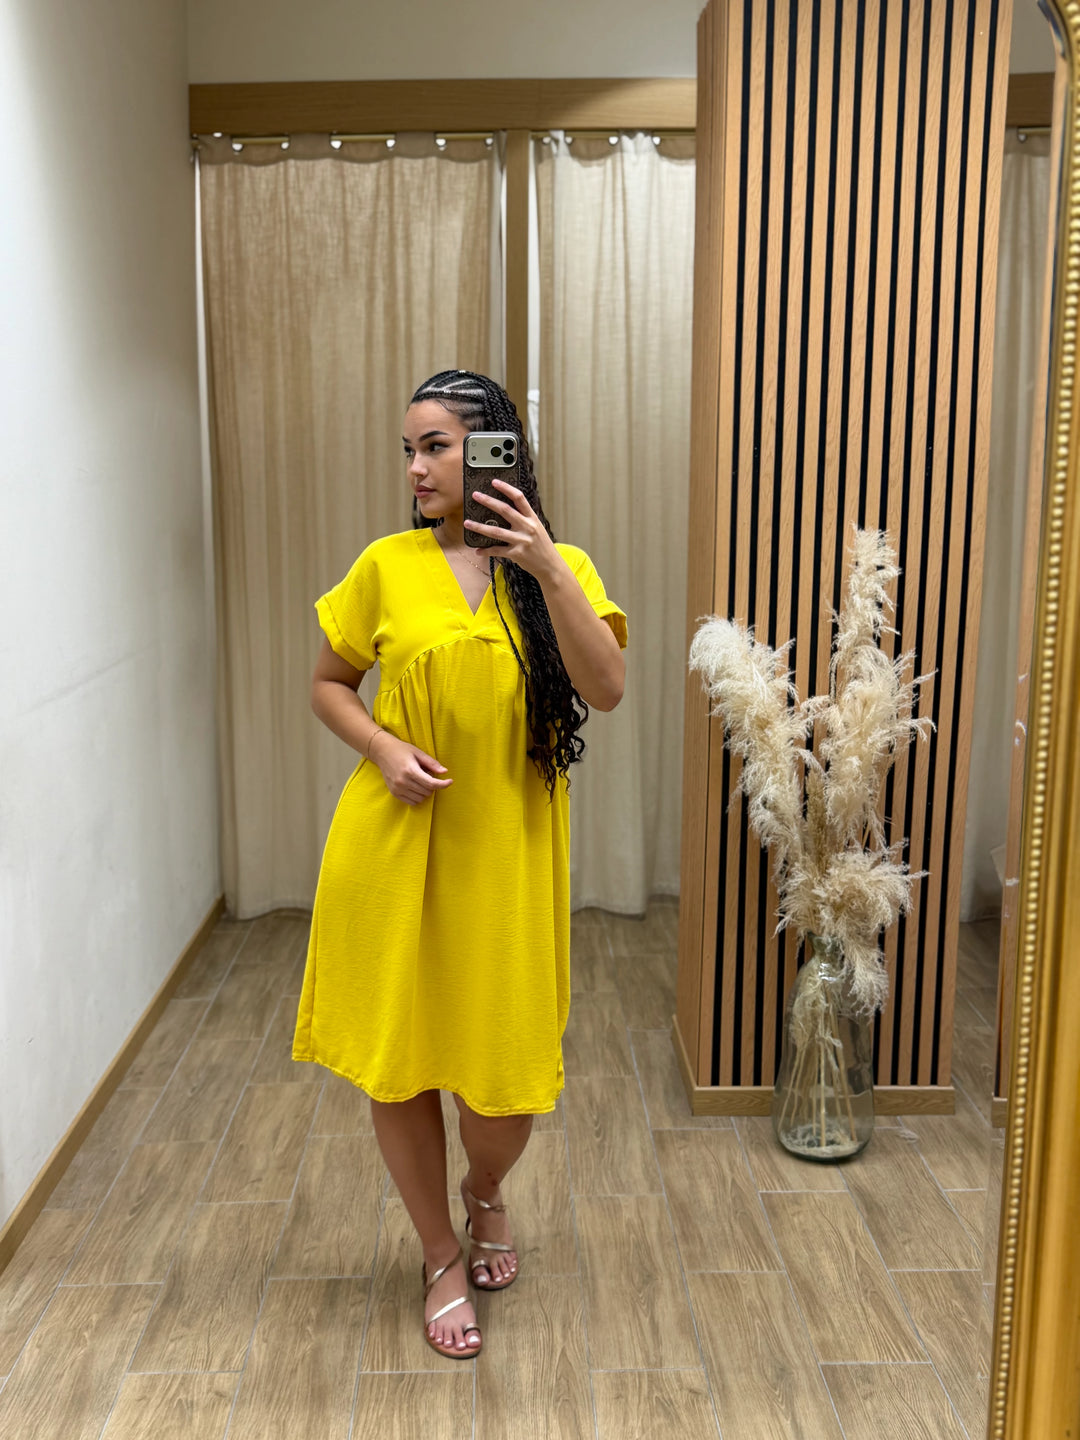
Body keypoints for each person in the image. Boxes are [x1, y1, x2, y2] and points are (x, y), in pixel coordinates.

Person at [292, 370, 627, 1359]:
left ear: (496, 452)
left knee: (504, 1091)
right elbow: (328, 683)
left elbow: (606, 688)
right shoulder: (385, 566)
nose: (417, 467)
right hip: (393, 850)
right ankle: (439, 1253)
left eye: (437, 446)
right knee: (398, 1063)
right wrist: (382, 748)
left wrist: (546, 565)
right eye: (409, 449)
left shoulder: (561, 565)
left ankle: (484, 1191)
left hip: (506, 864)